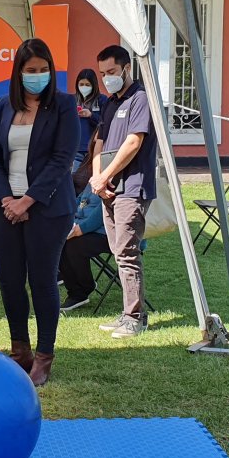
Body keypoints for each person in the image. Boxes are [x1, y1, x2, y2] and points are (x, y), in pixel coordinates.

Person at [0, 38, 78, 387]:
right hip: (5, 208)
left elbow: (61, 159)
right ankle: (19, 350)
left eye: (43, 69)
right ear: (18, 72)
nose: (38, 76)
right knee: (9, 280)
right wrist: (9, 199)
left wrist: (29, 200)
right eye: (30, 70)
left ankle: (44, 356)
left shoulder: (64, 106)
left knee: (42, 280)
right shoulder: (2, 107)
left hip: (49, 208)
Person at [89, 45, 158, 340]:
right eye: (103, 73)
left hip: (132, 186)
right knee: (118, 252)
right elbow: (99, 143)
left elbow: (134, 142)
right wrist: (97, 178)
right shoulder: (109, 103)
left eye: (112, 72)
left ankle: (135, 318)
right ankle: (127, 313)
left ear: (127, 68)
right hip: (108, 188)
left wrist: (106, 175)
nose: (107, 78)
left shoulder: (141, 99)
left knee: (128, 252)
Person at [59, 187, 110, 313]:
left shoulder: (112, 181)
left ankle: (83, 289)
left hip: (109, 234)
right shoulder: (92, 181)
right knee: (59, 243)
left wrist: (80, 229)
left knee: (74, 245)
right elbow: (77, 202)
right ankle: (75, 291)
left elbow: (102, 213)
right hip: (82, 228)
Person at [73, 69, 106, 171]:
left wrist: (91, 115)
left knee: (94, 183)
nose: (84, 87)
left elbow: (106, 122)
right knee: (76, 184)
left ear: (94, 85)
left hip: (95, 150)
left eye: (87, 85)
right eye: (81, 84)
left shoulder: (102, 100)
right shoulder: (73, 100)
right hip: (77, 151)